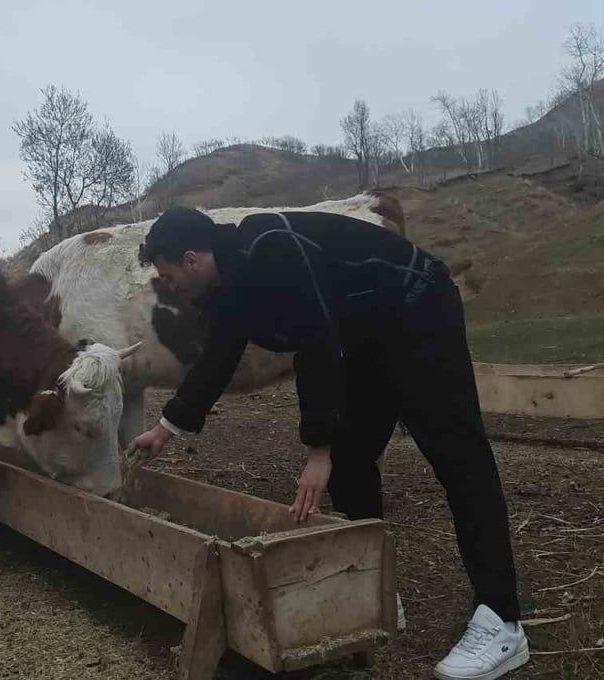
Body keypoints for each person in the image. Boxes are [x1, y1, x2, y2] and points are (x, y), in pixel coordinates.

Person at [129, 206, 528, 680]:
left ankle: (502, 620)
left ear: (192, 260)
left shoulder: (271, 249)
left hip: (417, 304)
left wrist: (319, 450)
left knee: (457, 456)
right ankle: (372, 589)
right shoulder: (228, 288)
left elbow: (316, 343)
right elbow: (217, 358)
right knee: (352, 458)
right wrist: (166, 429)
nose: (168, 286)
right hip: (366, 328)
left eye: (168, 276)